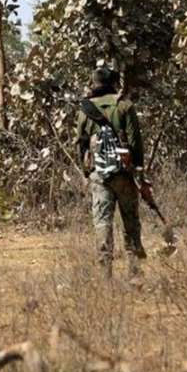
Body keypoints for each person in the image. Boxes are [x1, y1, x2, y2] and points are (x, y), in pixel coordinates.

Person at [75, 67, 148, 278]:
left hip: (99, 175)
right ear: (114, 83)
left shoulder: (85, 109)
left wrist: (86, 172)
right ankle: (134, 274)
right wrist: (138, 172)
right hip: (124, 174)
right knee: (131, 223)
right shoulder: (125, 106)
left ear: (94, 84)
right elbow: (135, 143)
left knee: (102, 223)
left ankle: (105, 275)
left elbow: (81, 143)